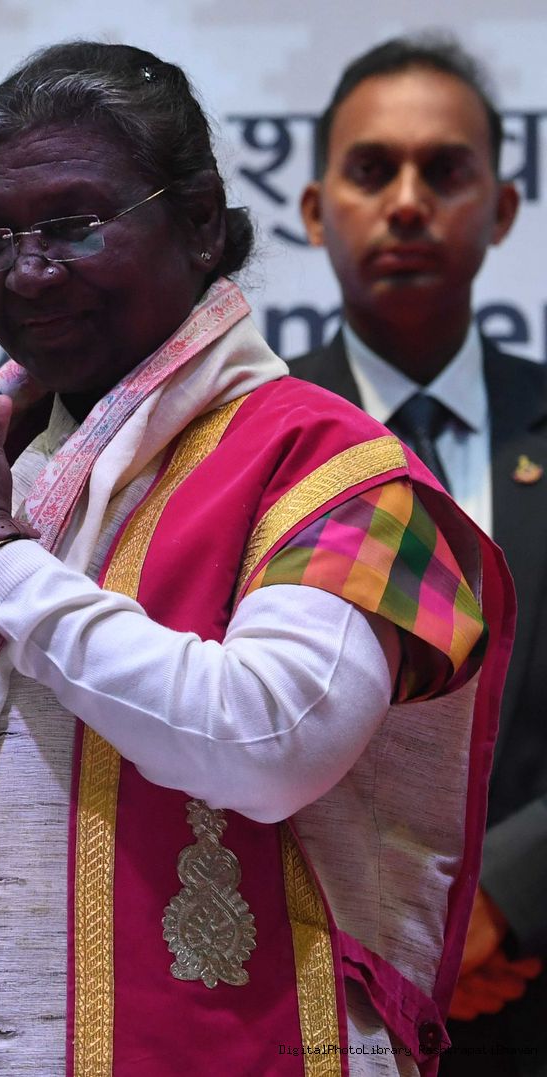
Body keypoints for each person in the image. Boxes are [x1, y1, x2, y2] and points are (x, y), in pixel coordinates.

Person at [0, 41, 510, 1076]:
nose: (29, 270)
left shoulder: (328, 464)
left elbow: (270, 744)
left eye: (72, 225)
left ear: (200, 221)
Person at [287, 35, 546, 1074]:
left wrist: (503, 901)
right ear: (316, 211)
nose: (406, 202)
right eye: (371, 170)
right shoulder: (241, 445)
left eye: (443, 171)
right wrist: (384, 937)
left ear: (501, 208)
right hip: (308, 1000)